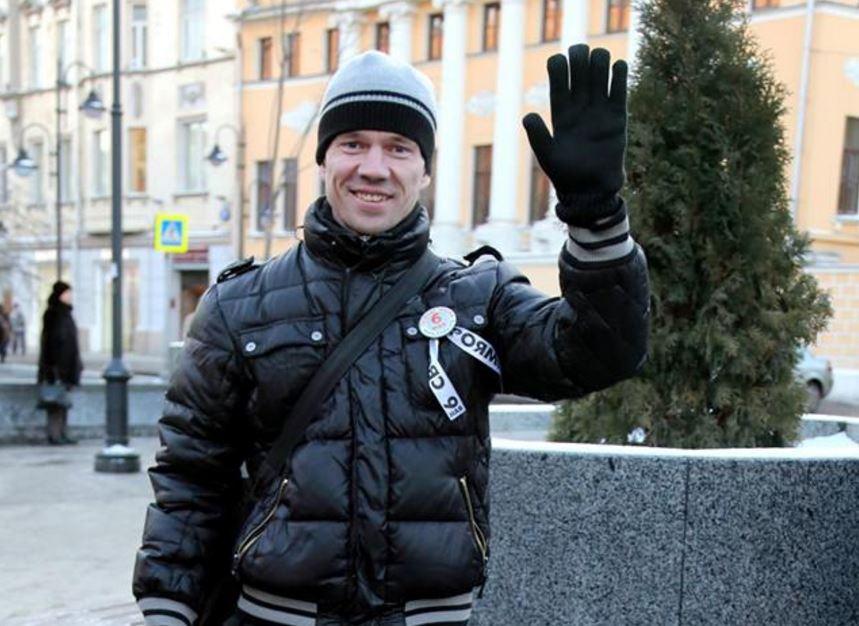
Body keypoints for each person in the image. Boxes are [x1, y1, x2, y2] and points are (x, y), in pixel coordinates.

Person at [134, 46, 650, 626]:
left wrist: (597, 219)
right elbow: (191, 475)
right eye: (353, 143)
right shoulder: (238, 305)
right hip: (274, 617)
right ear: (324, 159)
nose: (374, 168)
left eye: (399, 148)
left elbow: (598, 354)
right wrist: (166, 611)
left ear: (424, 169)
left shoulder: (477, 298)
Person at [37, 281, 83, 445]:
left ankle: (62, 432)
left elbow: (72, 343)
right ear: (60, 295)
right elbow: (48, 343)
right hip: (56, 368)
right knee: (55, 404)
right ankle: (54, 434)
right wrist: (50, 369)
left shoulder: (67, 314)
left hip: (68, 366)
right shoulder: (53, 314)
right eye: (67, 293)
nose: (70, 296)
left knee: (63, 403)